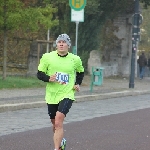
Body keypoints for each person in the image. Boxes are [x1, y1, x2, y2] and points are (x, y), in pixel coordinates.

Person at [37, 33, 84, 150]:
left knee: (58, 121)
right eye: (59, 42)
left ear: (68, 45)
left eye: (64, 42)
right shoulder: (47, 57)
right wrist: (49, 78)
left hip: (67, 93)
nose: (61, 44)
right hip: (52, 95)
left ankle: (56, 148)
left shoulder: (75, 59)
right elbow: (39, 74)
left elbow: (80, 72)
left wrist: (77, 84)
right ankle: (61, 140)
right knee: (55, 123)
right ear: (56, 44)